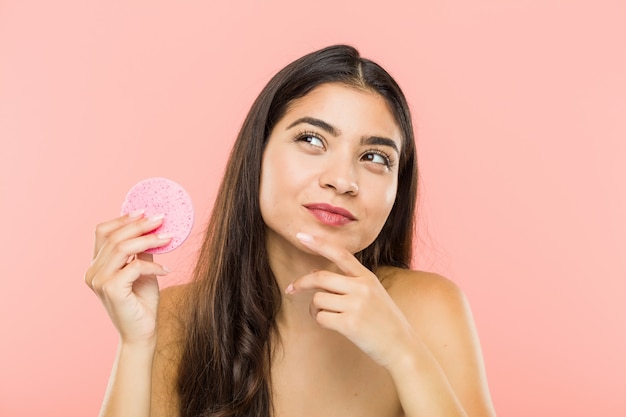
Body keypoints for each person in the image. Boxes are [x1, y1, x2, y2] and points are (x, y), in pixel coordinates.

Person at [85, 44, 496, 417]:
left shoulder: (429, 308)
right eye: (312, 140)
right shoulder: (176, 319)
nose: (342, 180)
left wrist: (404, 353)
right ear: (257, 153)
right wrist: (135, 345)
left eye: (374, 156)